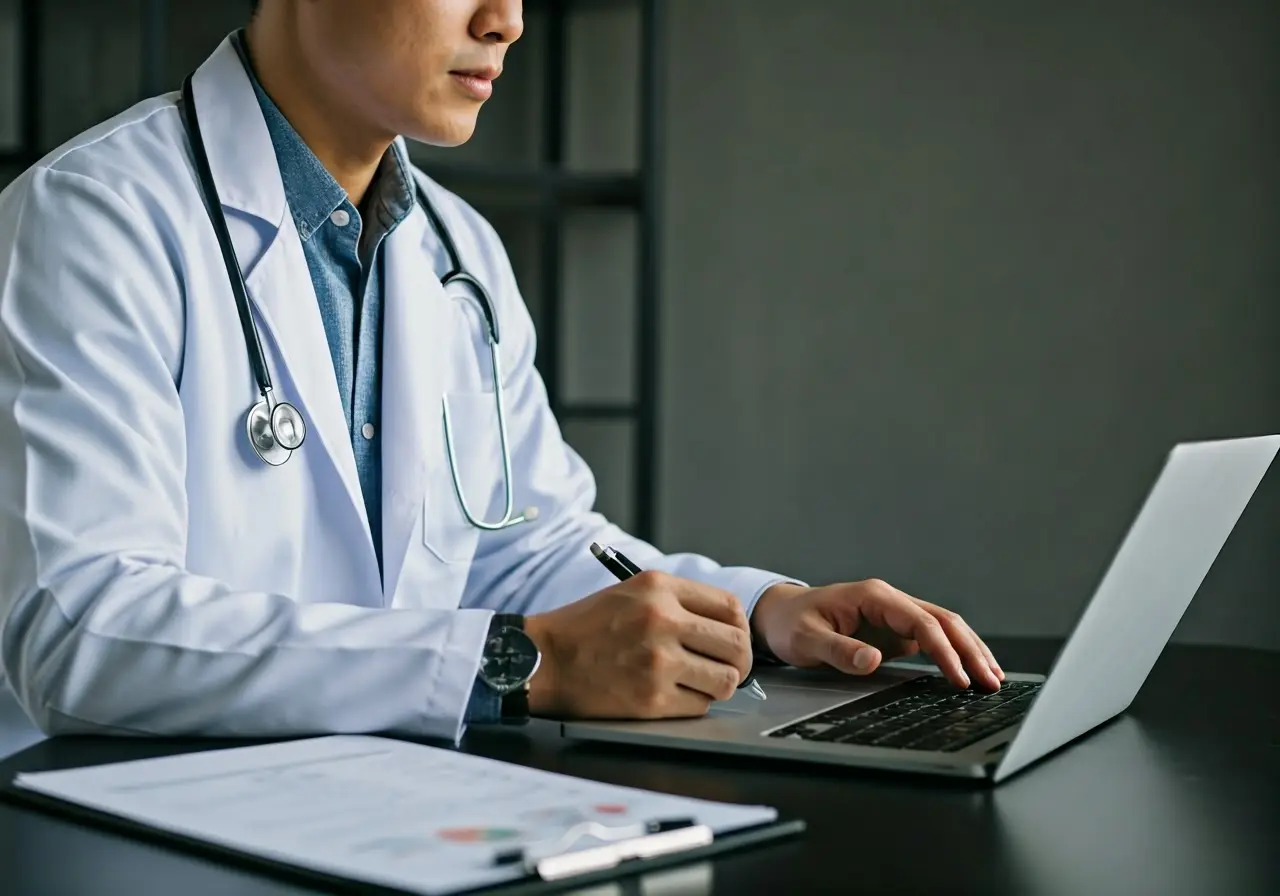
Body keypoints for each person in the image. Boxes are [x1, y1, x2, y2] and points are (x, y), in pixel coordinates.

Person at [0, 0, 1002, 740]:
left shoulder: (456, 249)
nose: (509, 20)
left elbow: (526, 546)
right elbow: (79, 626)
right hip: (129, 818)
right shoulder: (92, 217)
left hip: (382, 807)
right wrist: (518, 660)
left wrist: (758, 615)